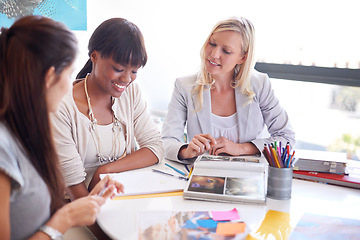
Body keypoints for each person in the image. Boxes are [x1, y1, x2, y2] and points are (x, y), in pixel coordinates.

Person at [0, 16, 123, 240]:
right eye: (69, 74)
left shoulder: (28, 130)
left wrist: (89, 202)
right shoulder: (3, 146)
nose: (71, 84)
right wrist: (66, 218)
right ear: (49, 78)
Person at [50, 18, 163, 199]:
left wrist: (105, 171)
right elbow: (75, 191)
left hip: (118, 198)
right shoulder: (61, 106)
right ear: (94, 56)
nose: (127, 79)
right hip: (72, 208)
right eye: (118, 69)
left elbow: (155, 147)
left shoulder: (130, 92)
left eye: (134, 71)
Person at [162, 17, 295, 163]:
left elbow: (286, 137)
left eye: (226, 51)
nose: (214, 54)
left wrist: (241, 148)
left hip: (248, 177)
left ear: (242, 57)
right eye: (212, 43)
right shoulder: (184, 86)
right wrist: (186, 151)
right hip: (204, 177)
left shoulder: (259, 84)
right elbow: (167, 141)